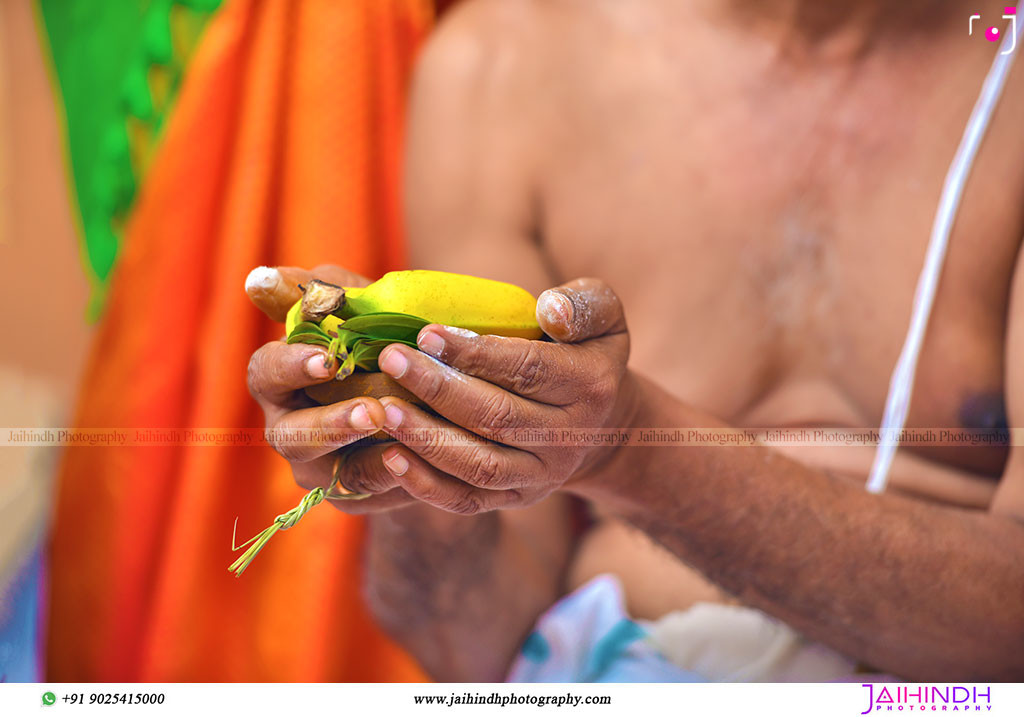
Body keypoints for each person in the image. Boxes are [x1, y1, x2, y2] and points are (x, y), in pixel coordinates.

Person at [245, 0, 1024, 681]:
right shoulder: (501, 68)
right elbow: (473, 647)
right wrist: (405, 454)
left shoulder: (1005, 64)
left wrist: (626, 445)